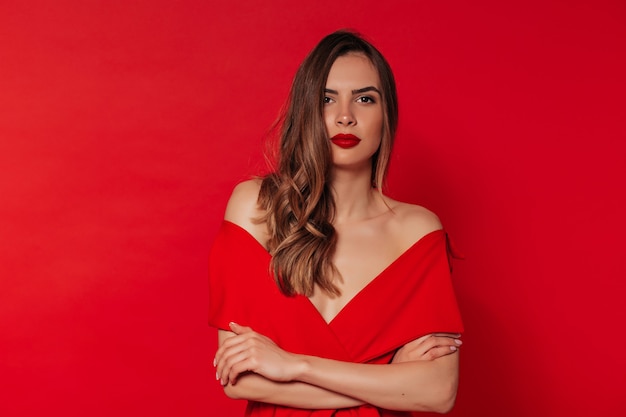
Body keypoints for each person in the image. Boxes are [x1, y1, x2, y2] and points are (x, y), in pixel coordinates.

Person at [209, 30, 464, 416]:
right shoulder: (258, 207)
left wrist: (295, 365)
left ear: (387, 115)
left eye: (364, 99)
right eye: (327, 99)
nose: (345, 116)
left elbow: (438, 391)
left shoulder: (417, 232)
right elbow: (240, 380)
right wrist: (388, 379)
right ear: (306, 110)